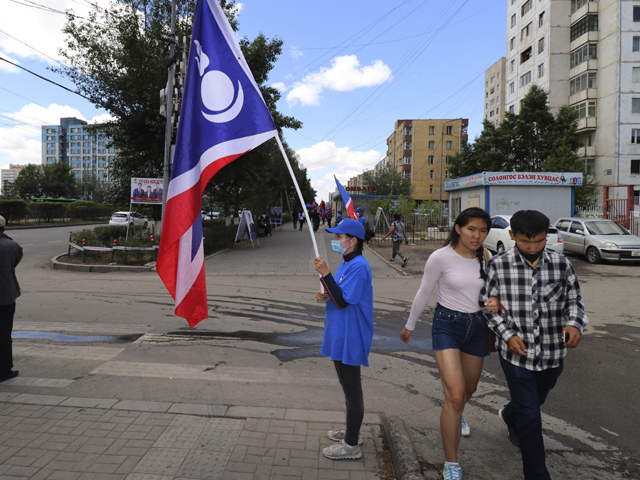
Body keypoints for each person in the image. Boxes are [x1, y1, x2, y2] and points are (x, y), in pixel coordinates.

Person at [479, 210, 588, 480]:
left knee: (535, 399)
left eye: (538, 241)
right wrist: (508, 335)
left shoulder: (561, 264)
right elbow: (489, 308)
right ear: (512, 235)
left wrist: (575, 324)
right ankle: (537, 474)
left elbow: (574, 301)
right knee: (531, 416)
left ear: (546, 235)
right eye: (525, 242)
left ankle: (510, 413)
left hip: (552, 352)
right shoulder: (498, 265)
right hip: (516, 353)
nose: (532, 248)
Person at [401, 207, 499, 480]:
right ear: (458, 228)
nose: (477, 236)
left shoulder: (487, 256)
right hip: (447, 326)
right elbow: (424, 292)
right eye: (471, 229)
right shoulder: (440, 257)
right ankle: (451, 463)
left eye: (482, 230)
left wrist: (495, 301)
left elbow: (493, 292)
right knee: (455, 395)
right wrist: (410, 325)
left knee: (469, 389)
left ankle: (457, 413)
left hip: (478, 327)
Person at [314, 218, 373, 461]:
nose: (336, 241)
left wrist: (326, 273)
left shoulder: (359, 265)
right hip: (341, 332)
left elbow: (345, 301)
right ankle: (352, 431)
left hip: (351, 335)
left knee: (352, 391)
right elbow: (339, 294)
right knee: (347, 388)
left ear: (352, 241)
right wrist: (326, 293)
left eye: (339, 237)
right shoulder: (348, 262)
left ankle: (351, 446)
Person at [0, 215, 22, 383]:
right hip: (5, 296)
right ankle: (4, 370)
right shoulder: (12, 246)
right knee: (4, 334)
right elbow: (15, 261)